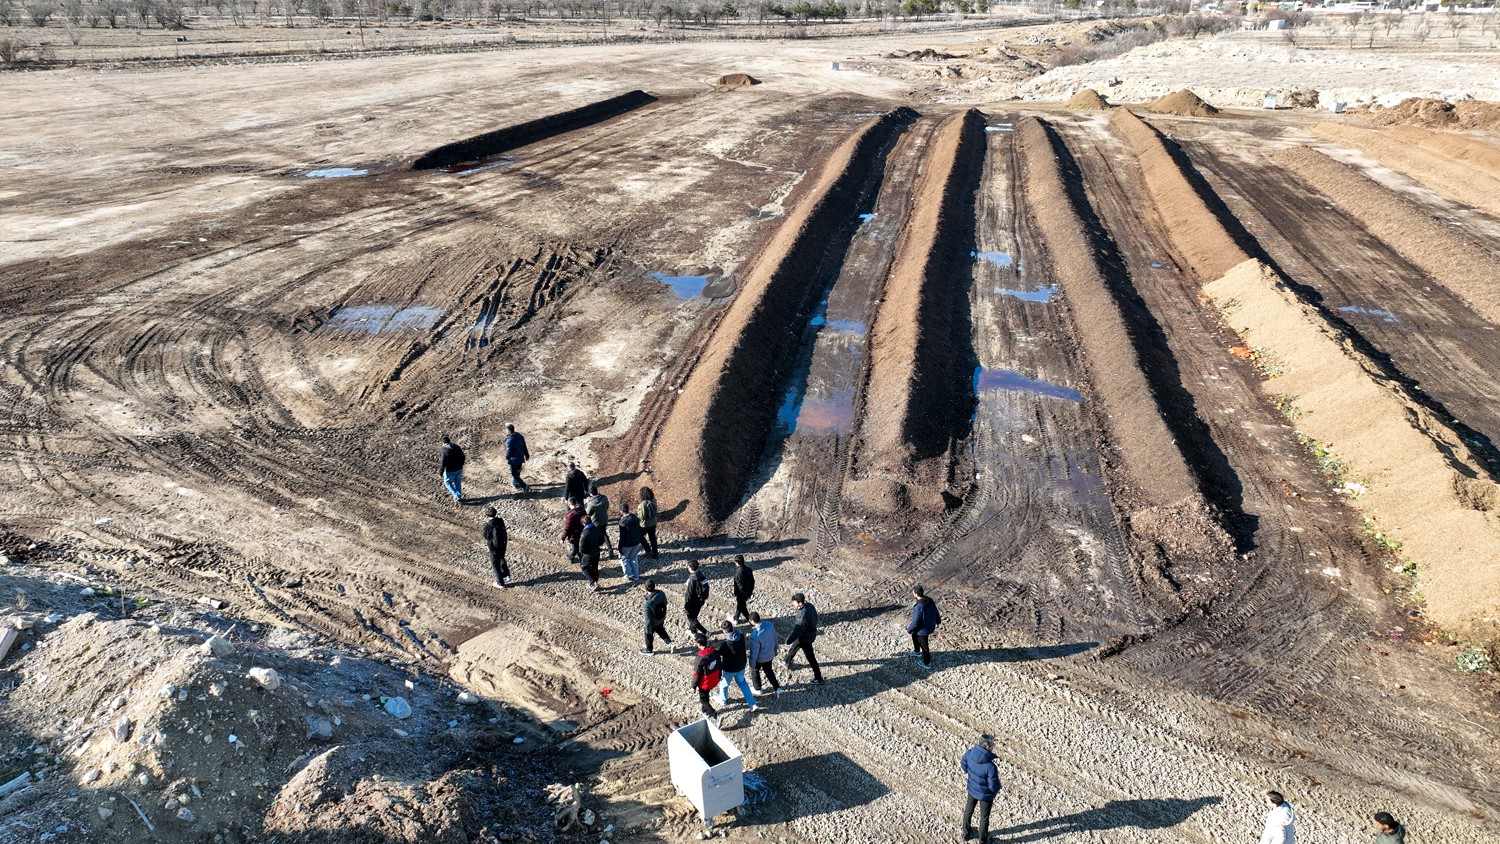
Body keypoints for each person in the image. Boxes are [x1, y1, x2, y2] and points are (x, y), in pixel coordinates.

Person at [961, 734, 1000, 843]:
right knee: (984, 817)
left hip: (972, 790)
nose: (993, 746)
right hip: (985, 796)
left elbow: (963, 763)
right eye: (992, 744)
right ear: (987, 747)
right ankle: (983, 840)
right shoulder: (991, 767)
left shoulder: (969, 754)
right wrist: (996, 790)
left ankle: (966, 834)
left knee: (968, 810)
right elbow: (993, 786)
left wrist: (969, 772)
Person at [715, 620, 759, 713]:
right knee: (743, 683)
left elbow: (719, 654)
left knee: (724, 683)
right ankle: (752, 704)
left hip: (729, 669)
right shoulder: (741, 636)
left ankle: (723, 699)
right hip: (741, 666)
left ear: (725, 631)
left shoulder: (725, 645)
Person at [783, 592, 823, 685]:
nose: (793, 604)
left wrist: (788, 640)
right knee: (795, 645)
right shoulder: (810, 606)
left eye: (794, 603)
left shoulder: (803, 617)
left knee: (810, 657)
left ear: (800, 603)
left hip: (805, 637)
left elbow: (797, 630)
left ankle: (818, 677)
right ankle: (786, 661)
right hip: (808, 633)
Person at [692, 633, 723, 727]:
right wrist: (719, 676)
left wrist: (693, 686)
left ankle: (715, 715)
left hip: (705, 682)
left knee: (703, 699)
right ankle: (704, 709)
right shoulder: (715, 651)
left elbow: (697, 674)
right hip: (714, 678)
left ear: (698, 644)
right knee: (706, 695)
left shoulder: (700, 657)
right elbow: (719, 664)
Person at [747, 611, 781, 699]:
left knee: (755, 671)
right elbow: (775, 638)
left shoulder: (755, 636)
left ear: (752, 621)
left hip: (760, 659)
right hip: (770, 655)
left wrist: (752, 664)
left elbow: (755, 653)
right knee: (769, 671)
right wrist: (775, 650)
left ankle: (758, 689)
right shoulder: (769, 625)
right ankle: (777, 687)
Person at [908, 584, 941, 669]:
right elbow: (935, 611)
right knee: (914, 635)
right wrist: (938, 621)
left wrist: (909, 629)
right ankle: (917, 651)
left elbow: (915, 622)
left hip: (923, 629)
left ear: (915, 594)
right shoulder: (929, 600)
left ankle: (927, 663)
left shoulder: (919, 606)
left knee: (924, 645)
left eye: (913, 593)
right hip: (930, 625)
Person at [641, 579, 673, 654]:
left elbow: (647, 618)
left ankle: (649, 650)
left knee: (648, 634)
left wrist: (648, 629)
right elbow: (665, 602)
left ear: (646, 588)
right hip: (661, 617)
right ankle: (670, 643)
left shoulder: (647, 602)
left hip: (653, 621)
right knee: (660, 630)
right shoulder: (661, 593)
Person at [584, 482, 615, 557]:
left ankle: (595, 550)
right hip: (604, 519)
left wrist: (587, 503)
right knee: (604, 534)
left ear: (591, 493)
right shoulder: (604, 498)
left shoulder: (591, 503)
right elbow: (607, 506)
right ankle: (610, 549)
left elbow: (587, 513)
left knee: (595, 536)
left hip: (595, 522)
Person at [482, 507, 510, 588]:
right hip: (503, 544)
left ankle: (500, 583)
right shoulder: (501, 520)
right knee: (502, 558)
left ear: (487, 515)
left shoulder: (488, 525)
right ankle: (507, 574)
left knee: (495, 564)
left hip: (494, 547)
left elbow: (485, 536)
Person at [617, 502, 644, 582]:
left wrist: (620, 546)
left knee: (623, 558)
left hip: (627, 544)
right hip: (636, 542)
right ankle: (636, 575)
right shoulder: (634, 517)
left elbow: (622, 537)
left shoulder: (622, 522)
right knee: (633, 558)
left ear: (621, 511)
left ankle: (629, 574)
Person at [683, 561, 710, 636]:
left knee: (691, 618)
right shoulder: (702, 576)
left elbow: (689, 594)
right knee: (694, 616)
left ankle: (705, 632)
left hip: (692, 603)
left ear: (690, 568)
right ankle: (693, 631)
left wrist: (686, 605)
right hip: (700, 601)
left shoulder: (692, 579)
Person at [578, 520, 605, 592]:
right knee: (594, 567)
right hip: (596, 552)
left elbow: (581, 547)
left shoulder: (584, 533)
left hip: (588, 554)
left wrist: (583, 552)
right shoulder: (597, 529)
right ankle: (595, 581)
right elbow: (602, 540)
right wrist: (596, 545)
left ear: (584, 523)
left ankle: (592, 582)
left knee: (584, 567)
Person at [503, 423, 530, 493]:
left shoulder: (509, 439)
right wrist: (527, 455)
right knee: (517, 472)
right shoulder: (520, 436)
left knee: (514, 474)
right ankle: (515, 484)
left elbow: (509, 451)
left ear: (507, 430)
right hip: (521, 458)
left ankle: (524, 486)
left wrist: (507, 457)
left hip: (513, 460)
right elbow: (524, 446)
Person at [439, 435, 465, 503]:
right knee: (457, 482)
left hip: (450, 470)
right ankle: (458, 497)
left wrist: (440, 473)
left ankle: (457, 495)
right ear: (449, 441)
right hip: (459, 468)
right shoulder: (456, 447)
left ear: (443, 443)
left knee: (447, 482)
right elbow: (463, 456)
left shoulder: (444, 451)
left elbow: (442, 463)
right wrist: (461, 464)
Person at [637, 487, 660, 559]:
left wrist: (638, 511)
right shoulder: (654, 500)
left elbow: (642, 516)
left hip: (645, 524)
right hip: (653, 522)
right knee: (652, 538)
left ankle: (648, 549)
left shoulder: (643, 504)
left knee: (639, 535)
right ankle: (655, 553)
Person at [561, 498, 586, 564]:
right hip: (582, 532)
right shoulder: (582, 510)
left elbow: (567, 528)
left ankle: (583, 563)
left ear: (569, 504)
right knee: (576, 546)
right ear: (576, 503)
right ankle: (571, 556)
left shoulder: (570, 515)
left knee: (577, 547)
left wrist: (562, 538)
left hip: (574, 535)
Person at [731, 555, 755, 622]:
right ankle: (736, 617)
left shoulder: (738, 574)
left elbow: (740, 586)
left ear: (737, 563)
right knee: (740, 605)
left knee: (742, 606)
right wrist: (749, 592)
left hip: (741, 594)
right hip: (748, 591)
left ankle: (749, 619)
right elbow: (752, 582)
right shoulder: (748, 569)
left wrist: (743, 595)